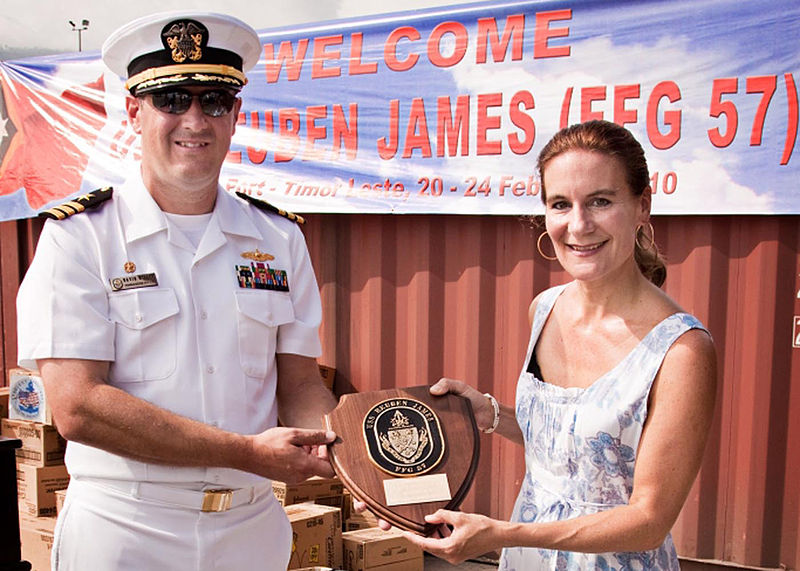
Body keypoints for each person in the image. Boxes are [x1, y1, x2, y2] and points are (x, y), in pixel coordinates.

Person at [15, 11, 338, 571]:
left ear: (235, 116)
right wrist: (245, 452)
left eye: (213, 101)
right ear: (134, 112)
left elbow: (301, 382)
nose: (194, 119)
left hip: (250, 528)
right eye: (171, 99)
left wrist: (362, 457)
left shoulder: (279, 238)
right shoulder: (81, 236)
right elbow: (77, 406)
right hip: (125, 530)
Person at [401, 120, 717, 569]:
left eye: (601, 202)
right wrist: (489, 415)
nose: (578, 225)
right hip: (527, 557)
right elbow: (568, 445)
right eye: (560, 204)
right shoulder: (544, 309)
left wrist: (506, 533)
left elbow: (650, 518)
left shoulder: (681, 351)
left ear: (642, 205)